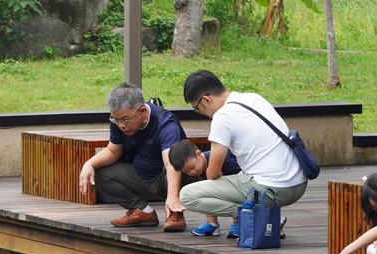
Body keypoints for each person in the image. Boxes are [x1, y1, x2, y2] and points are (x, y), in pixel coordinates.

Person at [179, 69, 308, 239]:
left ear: (206, 100)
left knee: (187, 195)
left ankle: (249, 215)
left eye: (197, 109)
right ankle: (261, 214)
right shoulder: (254, 98)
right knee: (241, 175)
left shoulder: (222, 117)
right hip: (299, 184)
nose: (201, 114)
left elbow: (212, 173)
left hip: (270, 189)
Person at [78, 83, 189, 231]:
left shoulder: (166, 124)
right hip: (142, 177)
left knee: (177, 168)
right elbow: (113, 151)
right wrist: (88, 164)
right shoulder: (117, 121)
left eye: (125, 119)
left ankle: (175, 211)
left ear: (142, 111)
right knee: (96, 172)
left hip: (167, 177)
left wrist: (173, 196)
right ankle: (142, 211)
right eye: (115, 119)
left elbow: (171, 164)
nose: (121, 125)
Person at [167, 139, 241, 236]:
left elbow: (239, 178)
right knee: (205, 195)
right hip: (218, 190)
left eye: (193, 167)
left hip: (236, 186)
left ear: (199, 154)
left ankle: (238, 221)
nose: (192, 172)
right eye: (187, 172)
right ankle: (212, 224)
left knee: (232, 193)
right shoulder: (200, 168)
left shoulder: (223, 159)